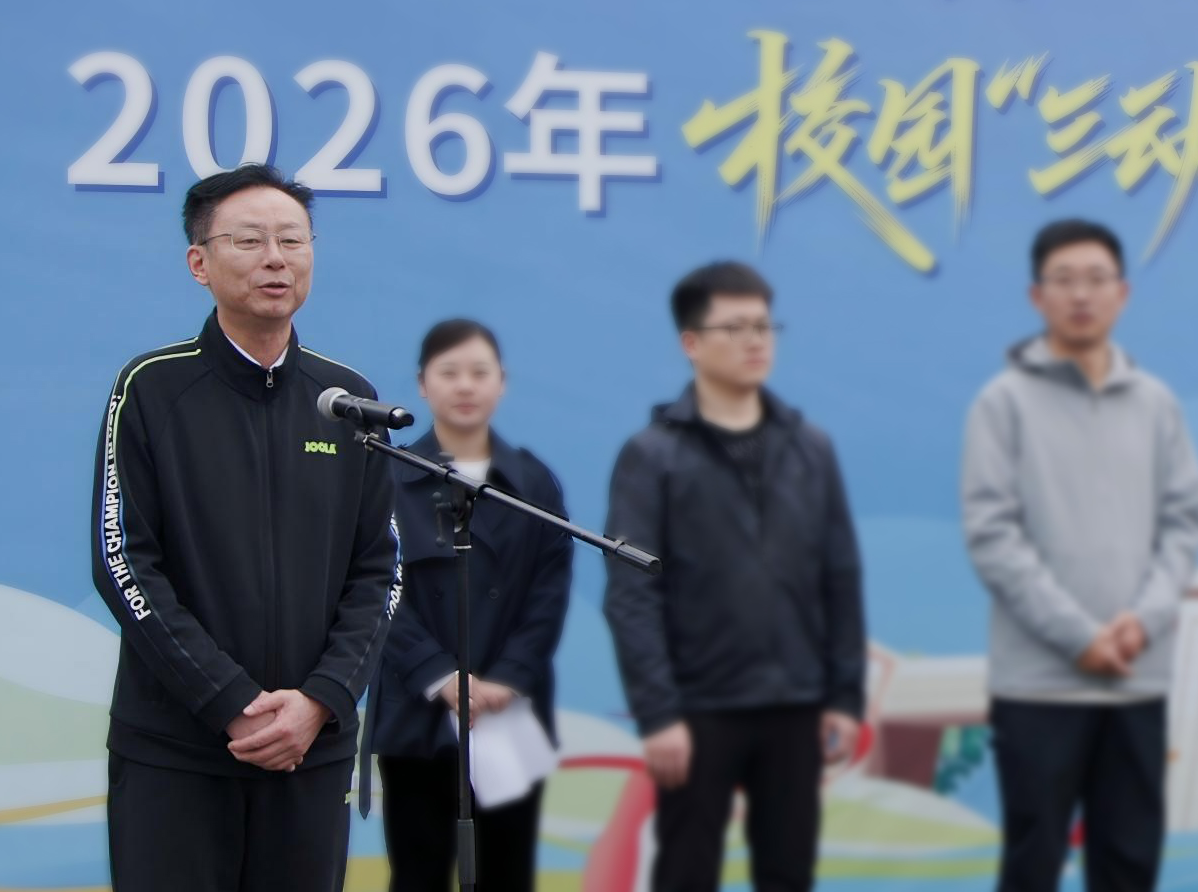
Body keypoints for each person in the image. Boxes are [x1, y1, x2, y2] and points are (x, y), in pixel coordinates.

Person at [90, 163, 401, 892]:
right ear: (198, 263)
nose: (275, 259)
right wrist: (230, 702)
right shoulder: (151, 389)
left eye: (292, 240)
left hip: (310, 749)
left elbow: (379, 569)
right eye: (250, 240)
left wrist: (322, 699)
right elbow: (123, 561)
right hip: (178, 752)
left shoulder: (346, 399)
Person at [603, 261, 867, 892]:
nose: (756, 341)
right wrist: (658, 713)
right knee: (686, 873)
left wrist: (844, 696)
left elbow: (840, 576)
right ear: (692, 343)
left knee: (788, 874)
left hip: (795, 703)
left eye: (764, 326)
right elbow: (632, 594)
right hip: (698, 710)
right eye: (736, 327)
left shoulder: (810, 447)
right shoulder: (653, 455)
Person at [962, 219, 1198, 892]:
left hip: (1135, 677)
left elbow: (1182, 522)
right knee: (1033, 864)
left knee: (1128, 865)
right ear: (1035, 296)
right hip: (1038, 684)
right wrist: (1078, 637)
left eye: (1096, 280)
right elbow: (991, 534)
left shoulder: (1156, 404)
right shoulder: (1001, 403)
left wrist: (1142, 621)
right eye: (1062, 280)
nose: (1080, 295)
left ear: (1122, 293)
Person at [360, 319, 573, 892]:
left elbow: (548, 592)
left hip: (509, 714)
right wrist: (439, 676)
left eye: (479, 372)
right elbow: (373, 588)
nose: (464, 385)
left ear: (501, 382)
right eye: (448, 372)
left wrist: (507, 678)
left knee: (507, 872)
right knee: (419, 872)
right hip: (418, 712)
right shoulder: (386, 477)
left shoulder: (533, 482)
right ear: (422, 384)